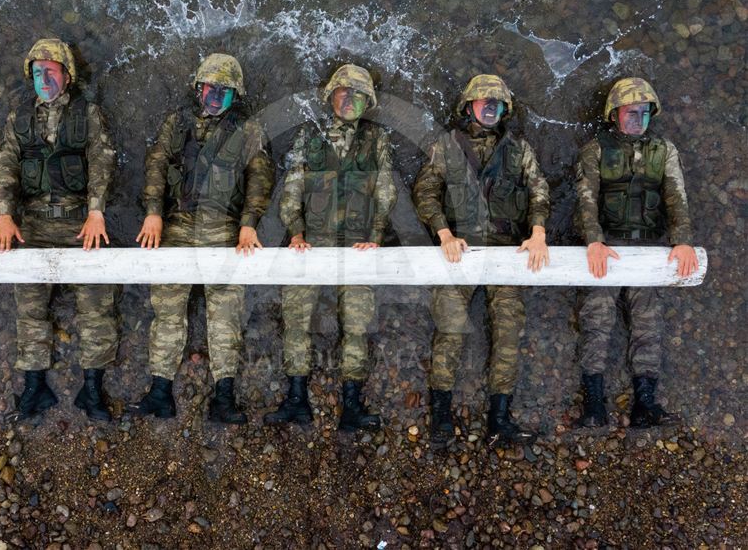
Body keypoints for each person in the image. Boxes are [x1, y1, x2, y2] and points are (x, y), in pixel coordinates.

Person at [128, 53, 274, 423]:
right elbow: (156, 164)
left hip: (224, 228)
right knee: (167, 307)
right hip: (178, 225)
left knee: (225, 312)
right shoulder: (177, 123)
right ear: (198, 88)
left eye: (224, 90)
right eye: (210, 88)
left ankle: (223, 397)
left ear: (235, 95)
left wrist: (249, 223)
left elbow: (260, 178)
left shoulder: (249, 131)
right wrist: (153, 213)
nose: (215, 95)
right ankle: (160, 391)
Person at [412, 74, 550, 447]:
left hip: (508, 250)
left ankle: (499, 418)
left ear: (505, 110)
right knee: (450, 329)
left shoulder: (519, 149)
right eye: (483, 102)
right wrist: (443, 233)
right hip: (460, 249)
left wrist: (538, 232)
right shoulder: (447, 147)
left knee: (508, 331)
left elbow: (539, 191)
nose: (489, 108)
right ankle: (441, 413)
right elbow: (425, 192)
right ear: (468, 106)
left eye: (496, 104)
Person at [0, 38, 117, 421]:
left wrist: (96, 212)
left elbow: (101, 161)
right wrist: (5, 216)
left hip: (80, 222)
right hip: (32, 225)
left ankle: (92, 388)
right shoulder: (19, 118)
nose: (44, 80)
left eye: (51, 72)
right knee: (30, 308)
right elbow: (6, 165)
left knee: (96, 305)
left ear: (67, 75)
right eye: (37, 73)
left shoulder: (87, 114)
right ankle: (35, 386)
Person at [264, 64, 397, 431]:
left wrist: (376, 235)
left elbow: (386, 189)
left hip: (358, 242)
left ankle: (352, 404)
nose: (349, 100)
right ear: (331, 95)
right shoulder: (310, 134)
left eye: (358, 95)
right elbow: (292, 187)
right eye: (343, 92)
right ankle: (296, 399)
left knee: (356, 324)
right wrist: (295, 231)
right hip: (312, 240)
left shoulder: (376, 138)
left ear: (368, 102)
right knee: (296, 318)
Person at [574, 77, 698, 428]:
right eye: (631, 112)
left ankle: (645, 403)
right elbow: (586, 198)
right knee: (596, 321)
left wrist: (682, 240)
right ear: (614, 114)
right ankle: (593, 404)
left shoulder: (664, 150)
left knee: (648, 324)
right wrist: (593, 241)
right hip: (607, 248)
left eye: (643, 113)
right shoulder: (595, 149)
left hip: (648, 249)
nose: (637, 119)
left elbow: (676, 196)